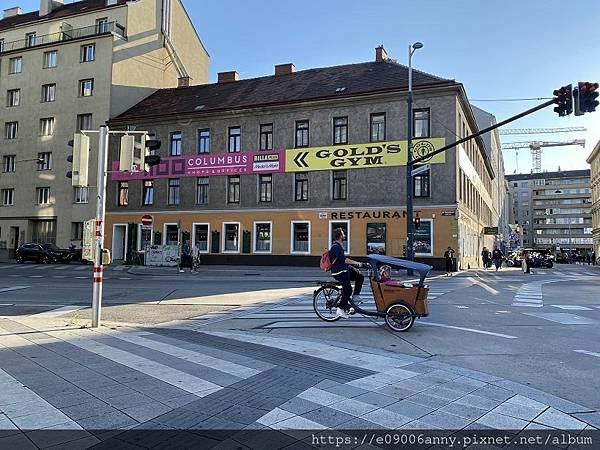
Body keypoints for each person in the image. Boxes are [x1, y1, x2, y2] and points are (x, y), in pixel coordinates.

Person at [329, 228, 364, 319]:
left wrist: (353, 268)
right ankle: (340, 309)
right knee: (348, 289)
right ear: (340, 236)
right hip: (339, 272)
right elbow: (344, 260)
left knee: (360, 276)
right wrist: (356, 263)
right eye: (343, 234)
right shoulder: (335, 247)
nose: (344, 235)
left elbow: (343, 262)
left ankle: (356, 296)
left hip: (344, 270)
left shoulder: (339, 246)